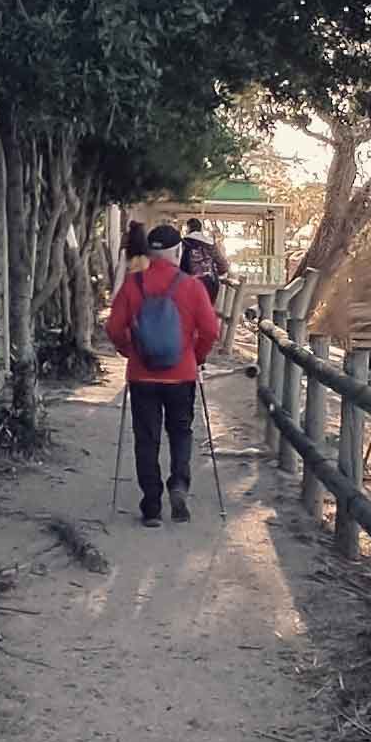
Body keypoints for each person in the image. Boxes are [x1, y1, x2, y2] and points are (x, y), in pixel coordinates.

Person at [103, 222, 223, 526]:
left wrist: (128, 351)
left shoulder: (133, 284)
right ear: (177, 251)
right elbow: (210, 330)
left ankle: (152, 507)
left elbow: (113, 328)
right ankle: (179, 485)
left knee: (146, 438)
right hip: (181, 375)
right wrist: (196, 357)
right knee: (181, 432)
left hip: (142, 375)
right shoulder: (192, 286)